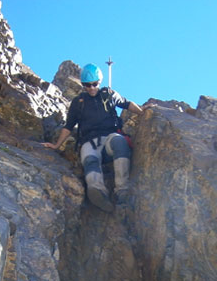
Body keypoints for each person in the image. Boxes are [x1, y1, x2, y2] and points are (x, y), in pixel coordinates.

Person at [43, 63, 150, 212]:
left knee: (120, 142)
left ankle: (122, 190)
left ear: (99, 82)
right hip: (89, 141)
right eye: (87, 85)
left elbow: (126, 104)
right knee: (89, 159)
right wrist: (56, 145)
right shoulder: (78, 102)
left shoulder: (109, 94)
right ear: (83, 85)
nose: (92, 88)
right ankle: (97, 192)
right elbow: (68, 126)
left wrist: (142, 111)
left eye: (94, 84)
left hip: (109, 138)